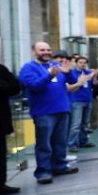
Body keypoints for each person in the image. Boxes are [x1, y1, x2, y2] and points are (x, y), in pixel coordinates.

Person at [18, 42, 80, 184]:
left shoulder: (56, 65)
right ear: (34, 51)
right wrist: (49, 75)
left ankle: (59, 166)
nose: (46, 52)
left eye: (48, 49)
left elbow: (72, 81)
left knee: (60, 142)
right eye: (42, 50)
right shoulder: (28, 68)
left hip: (62, 110)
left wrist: (68, 71)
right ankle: (43, 172)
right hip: (43, 113)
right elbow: (34, 86)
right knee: (44, 144)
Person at [0, 56, 22, 195]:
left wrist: (0, 85)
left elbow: (15, 87)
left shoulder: (0, 69)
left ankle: (0, 184)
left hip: (0, 120)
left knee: (0, 153)